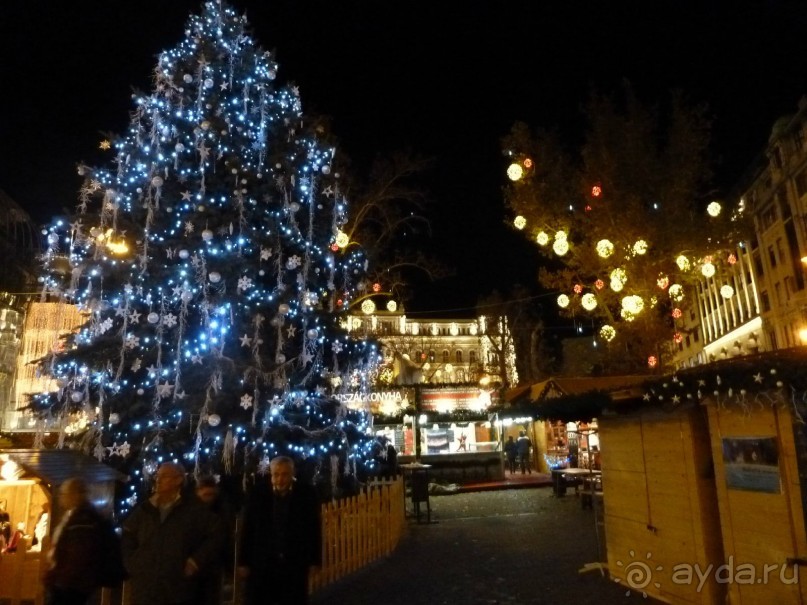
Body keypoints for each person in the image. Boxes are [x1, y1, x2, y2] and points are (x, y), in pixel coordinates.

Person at [122, 462, 222, 605]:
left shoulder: (192, 510)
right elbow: (128, 535)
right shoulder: (145, 510)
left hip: (177, 590)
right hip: (145, 589)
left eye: (164, 476)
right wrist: (133, 563)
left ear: (178, 480)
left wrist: (196, 561)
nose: (158, 480)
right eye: (157, 476)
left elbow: (216, 534)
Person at [239, 456, 322, 605]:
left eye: (284, 474)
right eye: (276, 475)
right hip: (263, 563)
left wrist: (314, 560)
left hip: (294, 562)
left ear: (292, 474)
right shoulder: (257, 494)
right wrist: (243, 560)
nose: (280, 479)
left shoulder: (306, 494)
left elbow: (313, 529)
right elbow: (248, 528)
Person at [43, 478, 121, 605]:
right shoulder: (74, 516)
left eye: (63, 494)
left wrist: (62, 579)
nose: (61, 498)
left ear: (74, 495)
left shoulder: (82, 521)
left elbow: (79, 554)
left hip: (72, 585)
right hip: (70, 583)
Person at [194, 476, 235, 605]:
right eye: (206, 495)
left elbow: (226, 537)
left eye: (211, 495)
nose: (208, 499)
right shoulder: (192, 511)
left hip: (215, 564)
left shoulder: (222, 510)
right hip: (194, 563)